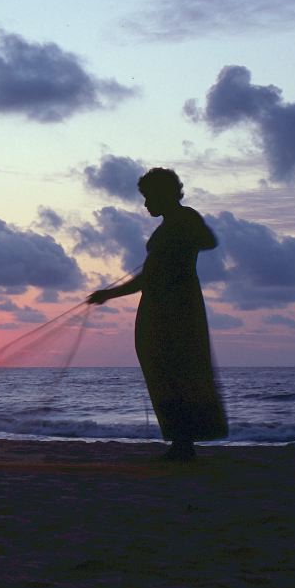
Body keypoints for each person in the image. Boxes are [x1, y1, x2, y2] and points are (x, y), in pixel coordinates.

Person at [88, 168, 227, 461]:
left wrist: (179, 239)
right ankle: (180, 442)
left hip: (178, 307)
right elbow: (147, 278)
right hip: (157, 306)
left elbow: (208, 241)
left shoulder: (185, 219)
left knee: (181, 369)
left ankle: (184, 443)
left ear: (165, 195)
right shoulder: (169, 226)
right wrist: (107, 295)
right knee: (161, 370)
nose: (146, 204)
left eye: (150, 197)